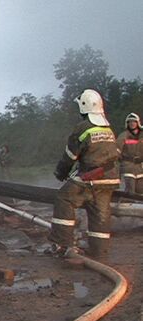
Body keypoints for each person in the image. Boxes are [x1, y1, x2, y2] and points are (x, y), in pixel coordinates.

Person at [49, 89, 120, 259]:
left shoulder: (83, 127)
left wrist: (61, 172)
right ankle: (99, 251)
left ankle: (62, 244)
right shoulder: (108, 128)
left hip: (91, 178)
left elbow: (70, 156)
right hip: (109, 179)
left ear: (83, 106)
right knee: (100, 213)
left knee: (64, 198)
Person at [116, 112, 143, 194]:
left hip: (139, 167)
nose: (132, 123)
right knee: (130, 191)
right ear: (127, 123)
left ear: (138, 123)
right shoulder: (123, 136)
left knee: (140, 190)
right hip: (127, 166)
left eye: (134, 121)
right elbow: (117, 151)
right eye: (130, 122)